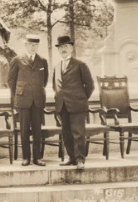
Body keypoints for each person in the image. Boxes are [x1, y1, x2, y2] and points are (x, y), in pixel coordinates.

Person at [53, 35, 94, 169]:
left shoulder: (80, 65)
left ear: (71, 48)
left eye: (66, 46)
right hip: (62, 105)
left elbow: (90, 85)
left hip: (77, 105)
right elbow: (55, 86)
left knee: (78, 133)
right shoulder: (57, 66)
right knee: (66, 133)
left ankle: (80, 159)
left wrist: (81, 98)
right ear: (58, 50)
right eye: (60, 47)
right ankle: (71, 158)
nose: (63, 49)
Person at [9, 34, 49, 166]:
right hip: (23, 100)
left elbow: (44, 80)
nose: (33, 47)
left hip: (38, 100)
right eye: (31, 44)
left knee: (37, 130)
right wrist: (18, 95)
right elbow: (11, 81)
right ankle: (26, 157)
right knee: (24, 129)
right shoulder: (17, 60)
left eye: (36, 45)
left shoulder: (42, 61)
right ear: (26, 45)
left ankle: (37, 158)